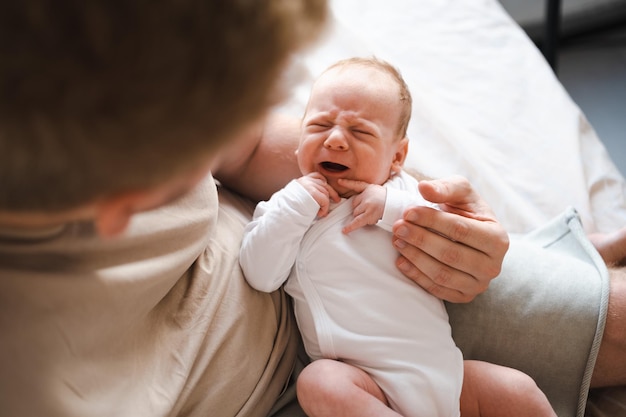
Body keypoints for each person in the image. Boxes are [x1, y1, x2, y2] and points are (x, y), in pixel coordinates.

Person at [0, 2, 623, 417]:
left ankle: (548, 250)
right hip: (328, 362)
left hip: (401, 295)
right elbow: (262, 264)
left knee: (572, 323)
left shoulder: (99, 73)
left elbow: (240, 142)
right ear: (111, 203)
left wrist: (455, 230)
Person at [239, 57, 556, 417]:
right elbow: (259, 274)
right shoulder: (287, 207)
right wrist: (295, 206)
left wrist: (389, 205)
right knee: (319, 382)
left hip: (445, 377)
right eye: (319, 125)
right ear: (298, 143)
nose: (336, 139)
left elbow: (446, 228)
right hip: (364, 382)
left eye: (360, 132)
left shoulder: (403, 192)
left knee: (517, 390)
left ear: (397, 157)